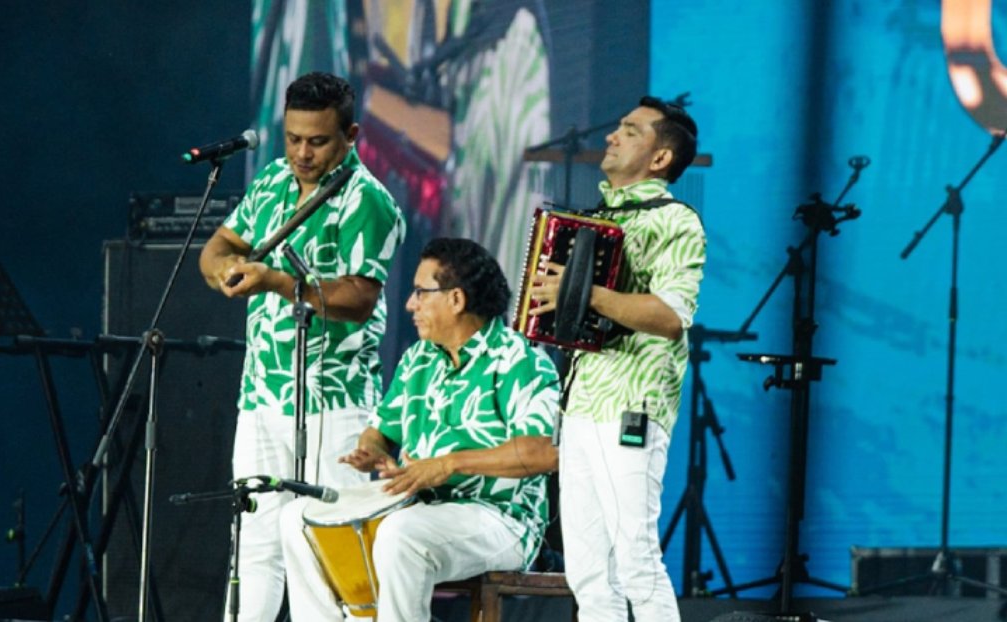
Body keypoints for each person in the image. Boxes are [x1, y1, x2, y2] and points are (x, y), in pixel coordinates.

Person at [198, 71, 406, 622]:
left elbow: (358, 298)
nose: (302, 153)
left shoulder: (369, 200)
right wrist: (222, 268)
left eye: (317, 141)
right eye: (293, 139)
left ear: (351, 134)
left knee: (332, 547)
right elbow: (221, 244)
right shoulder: (271, 181)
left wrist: (276, 282)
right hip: (263, 393)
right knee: (256, 542)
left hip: (335, 402)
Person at [279, 237, 560, 621]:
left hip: (499, 518)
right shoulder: (418, 359)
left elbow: (541, 453)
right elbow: (380, 431)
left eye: (421, 293)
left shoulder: (521, 360)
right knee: (297, 518)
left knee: (400, 534)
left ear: (456, 299)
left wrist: (446, 465)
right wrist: (373, 450)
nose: (411, 304)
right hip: (418, 506)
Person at [530, 95, 705, 621]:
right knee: (587, 571)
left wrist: (583, 293)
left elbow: (673, 314)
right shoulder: (601, 216)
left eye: (631, 130)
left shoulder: (676, 220)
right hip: (581, 403)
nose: (612, 136)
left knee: (635, 558)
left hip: (634, 404)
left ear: (660, 159)